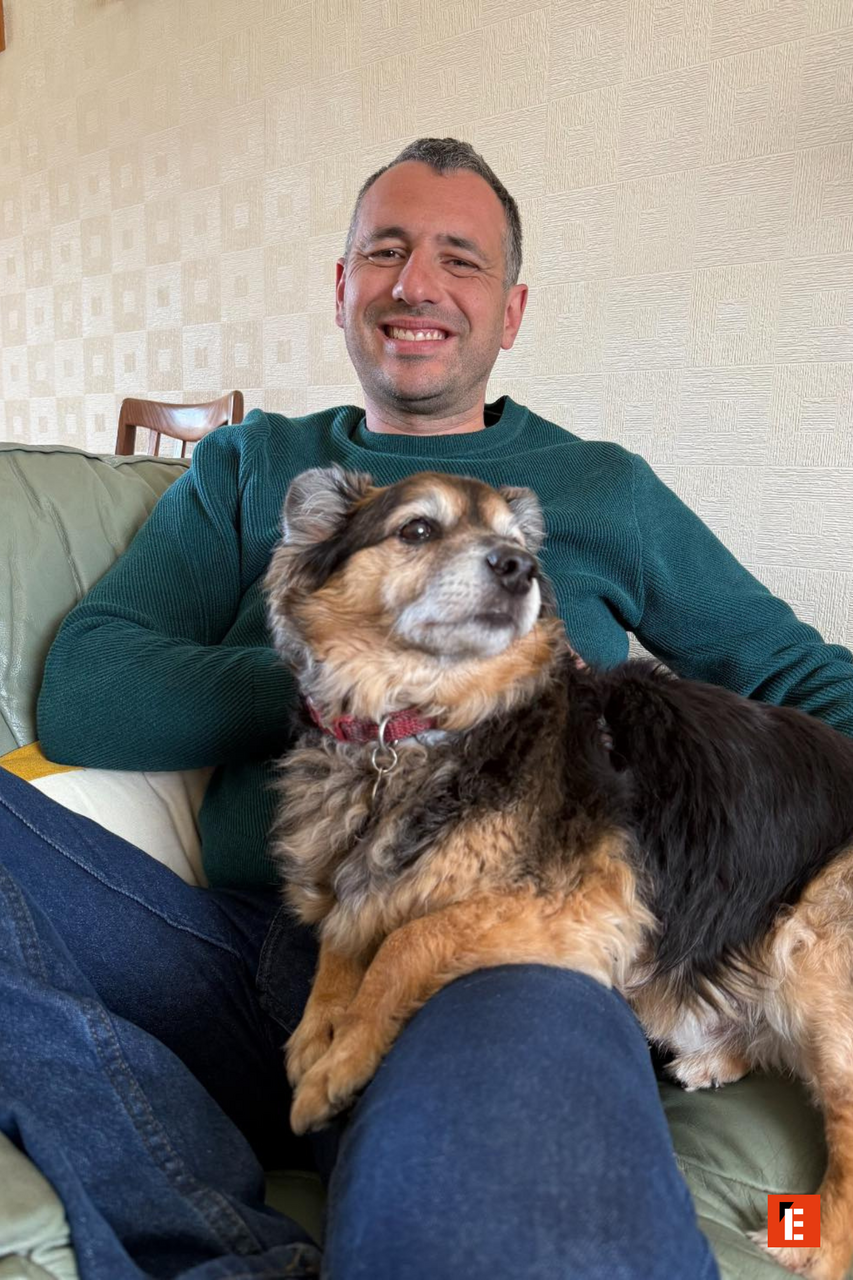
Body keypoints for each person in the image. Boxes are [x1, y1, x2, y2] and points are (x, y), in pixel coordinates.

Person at [3, 137, 852, 1280]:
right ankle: (215, 1239)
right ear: (342, 285)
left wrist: (474, 702)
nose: (416, 283)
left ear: (510, 308)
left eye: (460, 259)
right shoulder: (257, 467)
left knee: (514, 1193)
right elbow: (93, 689)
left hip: (501, 950)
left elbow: (796, 675)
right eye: (386, 251)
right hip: (237, 943)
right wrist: (357, 684)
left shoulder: (607, 486)